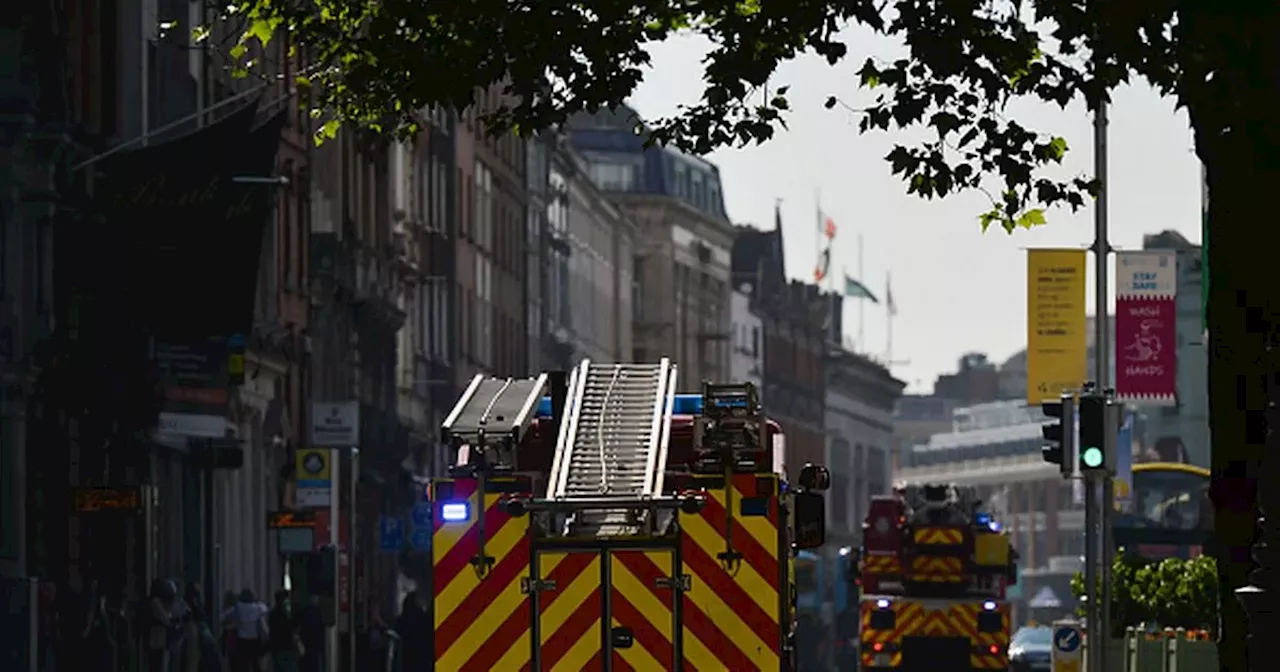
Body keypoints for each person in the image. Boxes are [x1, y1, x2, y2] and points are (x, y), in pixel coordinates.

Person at [221, 588, 268, 672]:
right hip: (255, 640)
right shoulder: (259, 607)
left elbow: (226, 618)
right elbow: (264, 611)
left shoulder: (238, 607)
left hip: (242, 640)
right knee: (256, 664)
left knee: (243, 665)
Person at [267, 589, 300, 672]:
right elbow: (294, 625)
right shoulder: (287, 614)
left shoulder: (273, 614)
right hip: (287, 646)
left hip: (276, 646)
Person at [396, 591, 429, 672]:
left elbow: (398, 629)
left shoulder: (405, 617)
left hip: (408, 654)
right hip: (422, 654)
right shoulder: (423, 617)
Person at [297, 595, 326, 672]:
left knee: (307, 664)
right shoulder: (318, 612)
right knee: (314, 665)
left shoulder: (304, 611)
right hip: (315, 644)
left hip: (306, 643)